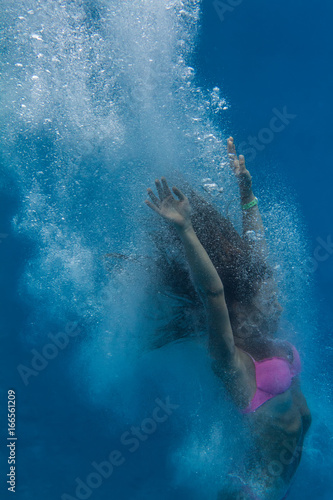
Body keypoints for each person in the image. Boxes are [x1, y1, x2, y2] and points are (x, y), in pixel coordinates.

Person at [145, 138, 311, 500]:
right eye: (271, 300)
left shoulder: (270, 335)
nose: (279, 304)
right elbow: (213, 293)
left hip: (283, 480)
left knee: (256, 266)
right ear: (245, 311)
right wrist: (186, 230)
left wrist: (246, 194)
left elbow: (258, 253)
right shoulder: (231, 361)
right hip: (256, 492)